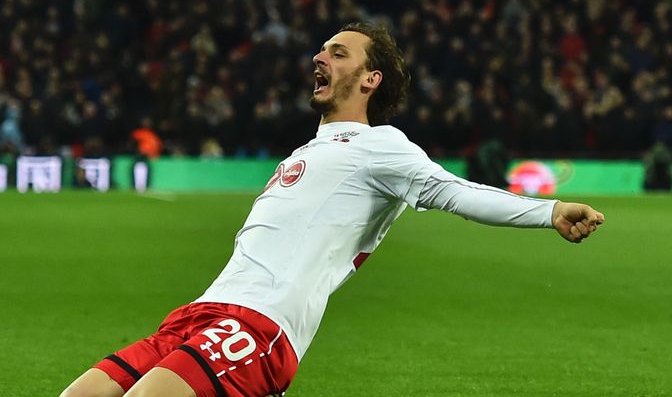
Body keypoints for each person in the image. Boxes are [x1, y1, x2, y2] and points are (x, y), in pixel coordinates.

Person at [60, 22, 605, 397]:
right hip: (198, 313)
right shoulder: (307, 151)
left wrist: (548, 209)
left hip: (260, 326)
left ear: (371, 80)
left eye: (339, 53)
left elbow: (454, 192)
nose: (320, 57)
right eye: (323, 50)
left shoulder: (382, 145)